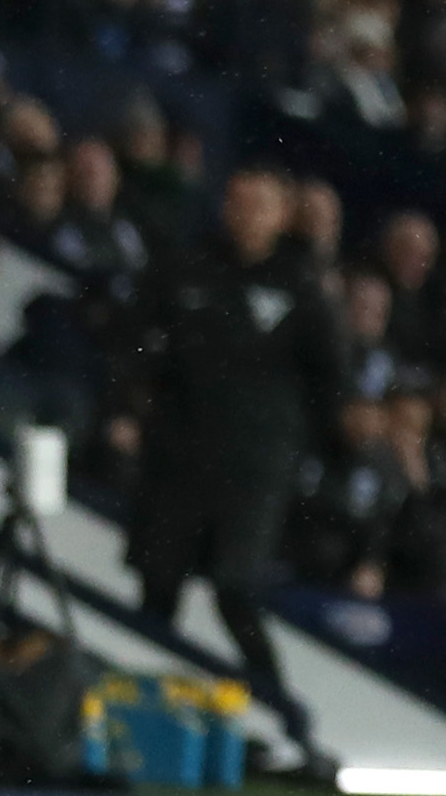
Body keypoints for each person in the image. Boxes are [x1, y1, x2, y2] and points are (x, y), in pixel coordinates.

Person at [113, 167, 343, 764]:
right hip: (177, 458)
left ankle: (284, 722)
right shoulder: (184, 269)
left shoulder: (300, 284)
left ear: (281, 214)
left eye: (261, 204)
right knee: (156, 587)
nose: (247, 215)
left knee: (234, 588)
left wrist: (306, 449)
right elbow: (135, 344)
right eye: (238, 202)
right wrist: (130, 406)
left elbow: (331, 380)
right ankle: (142, 727)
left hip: (255, 468)